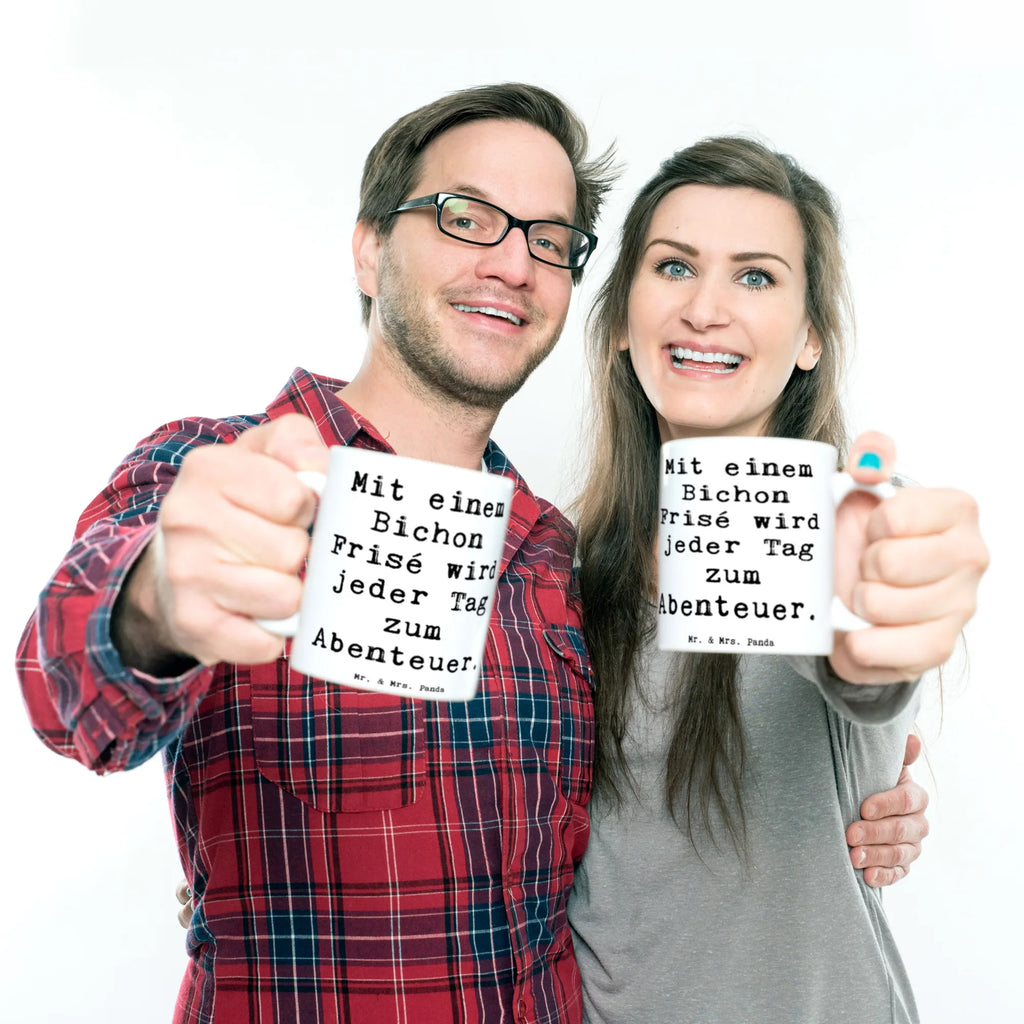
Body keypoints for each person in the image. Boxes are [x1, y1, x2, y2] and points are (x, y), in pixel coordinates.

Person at [18, 84, 931, 1024]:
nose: (510, 263)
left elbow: (775, 730)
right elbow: (65, 687)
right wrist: (158, 603)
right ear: (371, 248)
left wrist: (870, 776)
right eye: (467, 217)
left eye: (546, 239)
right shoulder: (219, 472)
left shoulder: (553, 560)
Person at [568, 136, 989, 1023]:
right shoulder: (563, 571)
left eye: (755, 277)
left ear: (809, 341)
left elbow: (861, 663)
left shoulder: (848, 527)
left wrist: (882, 627)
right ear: (617, 321)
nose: (707, 309)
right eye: (674, 266)